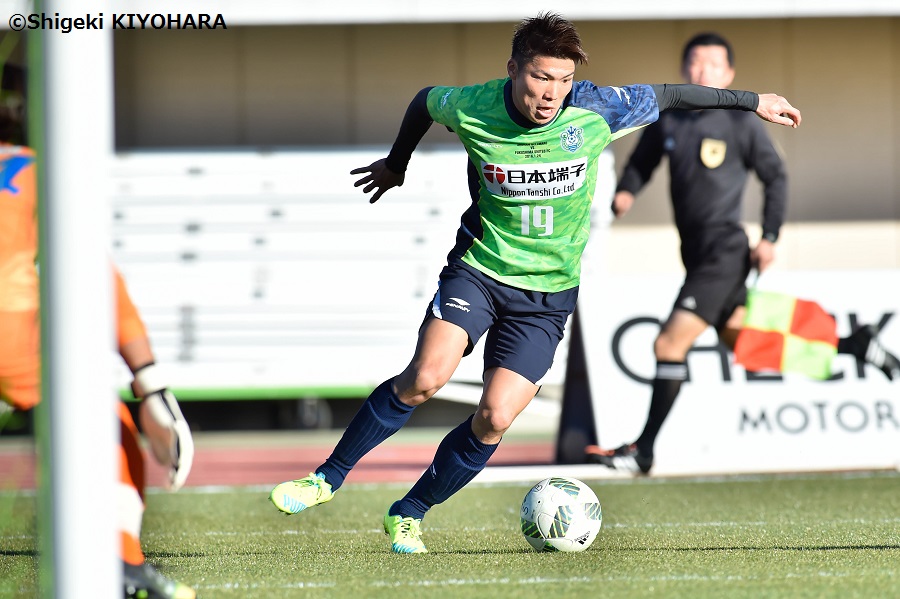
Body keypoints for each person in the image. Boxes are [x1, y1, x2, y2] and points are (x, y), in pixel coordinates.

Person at [269, 13, 802, 554]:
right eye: (541, 77)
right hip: (480, 268)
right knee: (426, 378)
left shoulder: (597, 108)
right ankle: (327, 478)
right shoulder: (474, 105)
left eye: (563, 79)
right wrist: (397, 164)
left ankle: (410, 512)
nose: (552, 94)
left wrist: (753, 101)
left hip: (547, 297)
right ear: (514, 70)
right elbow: (425, 100)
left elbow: (672, 95)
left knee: (495, 417)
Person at [584, 32, 900, 475]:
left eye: (713, 65)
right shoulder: (669, 119)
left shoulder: (741, 122)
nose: (703, 72)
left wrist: (769, 235)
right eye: (695, 63)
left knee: (667, 343)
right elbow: (642, 162)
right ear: (684, 71)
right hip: (695, 254)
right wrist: (626, 193)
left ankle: (644, 451)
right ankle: (854, 344)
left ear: (729, 74)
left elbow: (776, 177)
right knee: (744, 342)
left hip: (725, 251)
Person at [0, 106, 196, 598]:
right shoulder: (27, 167)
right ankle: (125, 566)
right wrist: (147, 379)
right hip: (8, 327)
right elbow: (95, 273)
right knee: (110, 428)